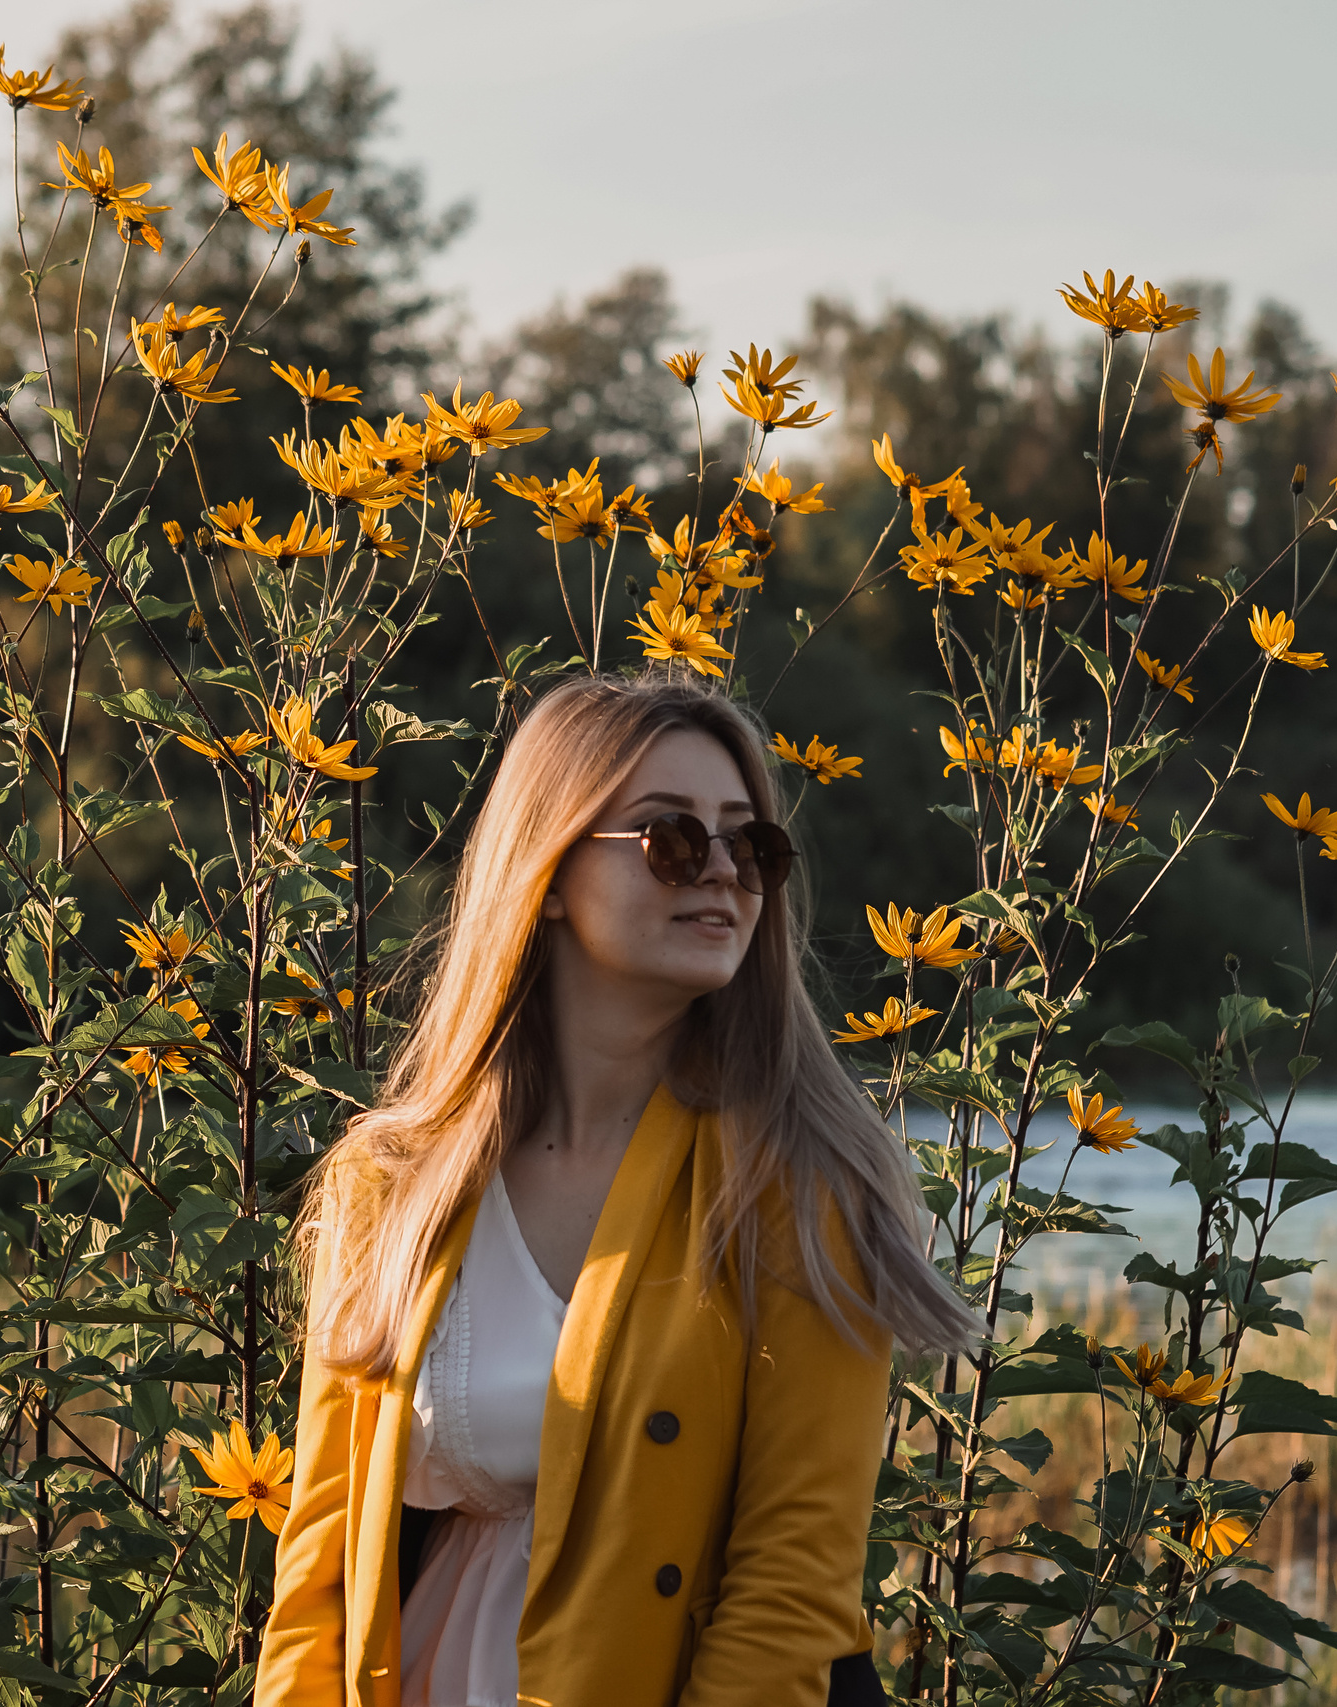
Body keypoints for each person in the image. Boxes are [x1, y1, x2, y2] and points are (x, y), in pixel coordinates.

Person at [256, 675, 984, 1707]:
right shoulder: (395, 1182)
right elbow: (318, 1566)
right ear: (547, 871)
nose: (724, 873)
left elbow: (791, 1585)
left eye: (751, 846)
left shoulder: (797, 1179)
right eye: (671, 840)